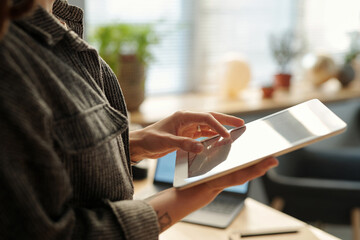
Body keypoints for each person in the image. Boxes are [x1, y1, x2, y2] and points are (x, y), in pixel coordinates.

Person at [0, 0, 278, 239]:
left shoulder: (58, 21)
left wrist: (132, 145)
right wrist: (199, 190)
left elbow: (51, 155)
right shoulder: (9, 56)